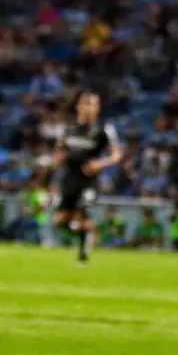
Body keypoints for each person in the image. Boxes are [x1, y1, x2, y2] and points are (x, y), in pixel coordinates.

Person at [51, 91, 123, 264]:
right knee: (60, 221)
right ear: (78, 106)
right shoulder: (68, 129)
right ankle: (89, 232)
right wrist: (57, 160)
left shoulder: (103, 128)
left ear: (97, 108)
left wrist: (100, 164)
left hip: (88, 181)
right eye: (85, 104)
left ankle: (83, 255)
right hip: (69, 179)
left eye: (92, 104)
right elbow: (59, 153)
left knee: (82, 213)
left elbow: (117, 155)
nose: (88, 108)